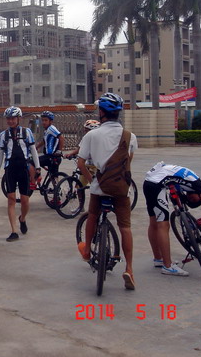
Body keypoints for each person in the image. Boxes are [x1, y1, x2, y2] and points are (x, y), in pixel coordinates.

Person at [76, 93, 138, 290]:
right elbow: (128, 161)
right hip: (121, 189)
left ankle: (87, 251)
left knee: (93, 215)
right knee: (125, 227)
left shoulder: (91, 135)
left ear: (101, 112)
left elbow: (80, 163)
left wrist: (93, 179)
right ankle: (129, 269)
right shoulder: (130, 136)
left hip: (99, 187)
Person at [143, 162, 201, 277]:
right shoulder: (199, 185)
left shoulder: (189, 180)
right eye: (194, 200)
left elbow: (174, 186)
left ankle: (158, 259)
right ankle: (168, 266)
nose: (190, 198)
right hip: (156, 185)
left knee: (154, 222)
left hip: (149, 182)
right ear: (199, 195)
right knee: (163, 225)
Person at [0, 106, 40, 241]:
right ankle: (14, 231)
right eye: (8, 119)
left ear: (19, 118)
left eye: (13, 118)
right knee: (11, 199)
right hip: (10, 169)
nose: (10, 121)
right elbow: (0, 155)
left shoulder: (27, 132)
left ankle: (22, 218)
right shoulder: (3, 135)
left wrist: (37, 168)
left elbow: (33, 150)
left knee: (25, 200)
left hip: (23, 168)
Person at [64, 119, 100, 188]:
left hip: (97, 166)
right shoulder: (85, 138)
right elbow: (79, 149)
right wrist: (71, 154)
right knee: (80, 186)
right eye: (85, 130)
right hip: (87, 165)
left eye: (87, 130)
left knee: (97, 185)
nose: (85, 132)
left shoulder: (100, 140)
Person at [34, 111, 64, 183]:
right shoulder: (47, 130)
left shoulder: (51, 128)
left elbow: (61, 138)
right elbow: (44, 141)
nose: (43, 122)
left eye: (46, 120)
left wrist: (59, 150)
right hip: (52, 157)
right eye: (42, 120)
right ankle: (57, 188)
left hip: (52, 156)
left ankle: (38, 178)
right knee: (54, 176)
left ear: (51, 121)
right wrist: (36, 147)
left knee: (33, 162)